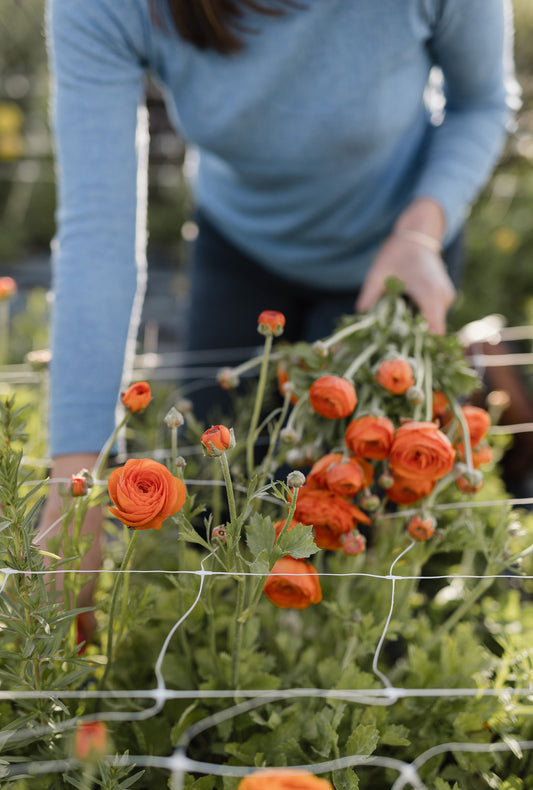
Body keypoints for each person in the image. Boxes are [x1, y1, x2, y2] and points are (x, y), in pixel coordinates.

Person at [41, 0, 517, 621]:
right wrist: (74, 495)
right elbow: (97, 236)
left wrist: (422, 231)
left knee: (359, 546)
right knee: (216, 512)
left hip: (395, 258)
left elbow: (482, 102)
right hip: (238, 249)